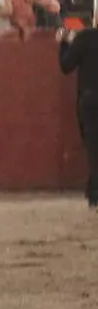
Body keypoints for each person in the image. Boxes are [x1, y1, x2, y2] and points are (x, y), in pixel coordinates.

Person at [62, 14, 98, 209]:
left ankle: (94, 192)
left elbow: (66, 66)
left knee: (93, 146)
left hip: (90, 98)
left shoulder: (85, 37)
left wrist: (64, 44)